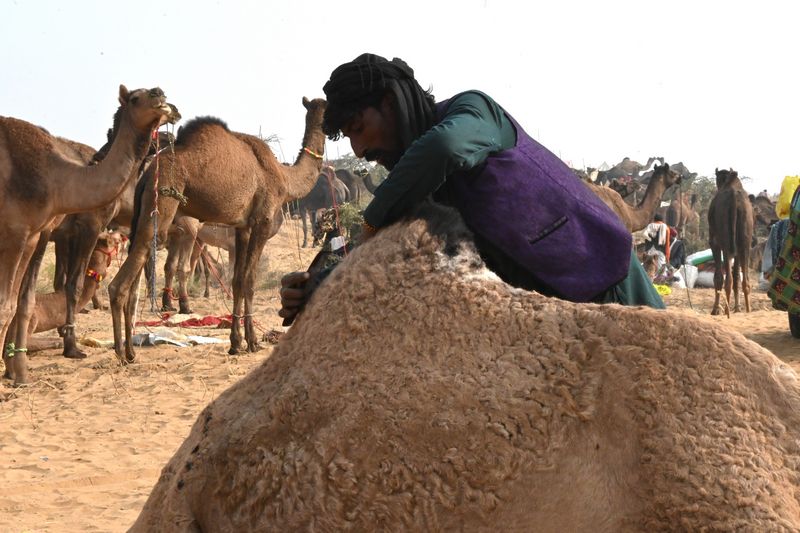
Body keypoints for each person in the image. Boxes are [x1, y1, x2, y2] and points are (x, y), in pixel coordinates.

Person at [279, 53, 664, 322]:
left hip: (606, 277)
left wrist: (373, 217)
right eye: (349, 138)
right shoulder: (418, 187)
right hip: (557, 315)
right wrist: (318, 286)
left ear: (391, 102)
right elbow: (380, 250)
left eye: (359, 129)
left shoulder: (472, 112)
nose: (360, 149)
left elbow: (444, 148)